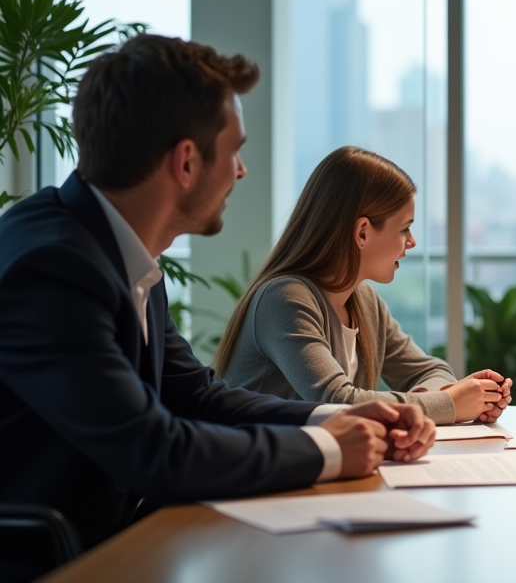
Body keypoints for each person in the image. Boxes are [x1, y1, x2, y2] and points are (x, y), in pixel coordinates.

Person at [0, 35, 435, 552]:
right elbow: (153, 450)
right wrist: (326, 448)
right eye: (235, 152)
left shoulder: (120, 253)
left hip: (127, 538)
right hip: (60, 557)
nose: (241, 171)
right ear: (186, 163)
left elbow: (196, 396)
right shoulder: (54, 267)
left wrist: (339, 416)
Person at [214, 146, 512, 425]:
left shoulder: (363, 299)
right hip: (265, 474)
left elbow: (428, 370)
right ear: (362, 232)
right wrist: (447, 404)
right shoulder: (285, 299)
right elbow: (337, 402)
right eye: (405, 228)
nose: (412, 241)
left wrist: (460, 396)